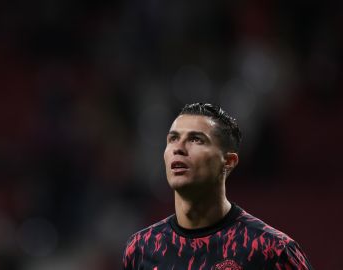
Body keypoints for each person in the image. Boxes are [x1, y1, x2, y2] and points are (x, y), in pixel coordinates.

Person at [122, 103, 313, 269]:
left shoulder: (271, 250)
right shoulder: (141, 248)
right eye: (173, 138)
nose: (178, 148)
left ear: (228, 161)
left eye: (196, 139)